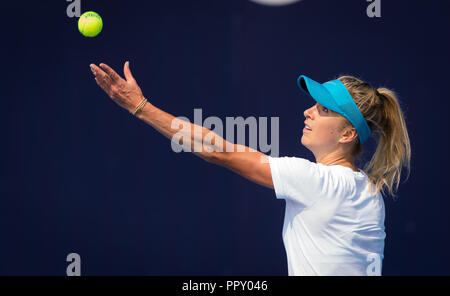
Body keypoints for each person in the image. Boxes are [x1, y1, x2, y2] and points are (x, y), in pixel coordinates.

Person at [89, 61, 411, 276]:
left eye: (323, 109)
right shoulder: (370, 193)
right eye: (313, 104)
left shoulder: (318, 182)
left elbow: (219, 152)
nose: (308, 112)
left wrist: (140, 107)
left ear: (347, 133)